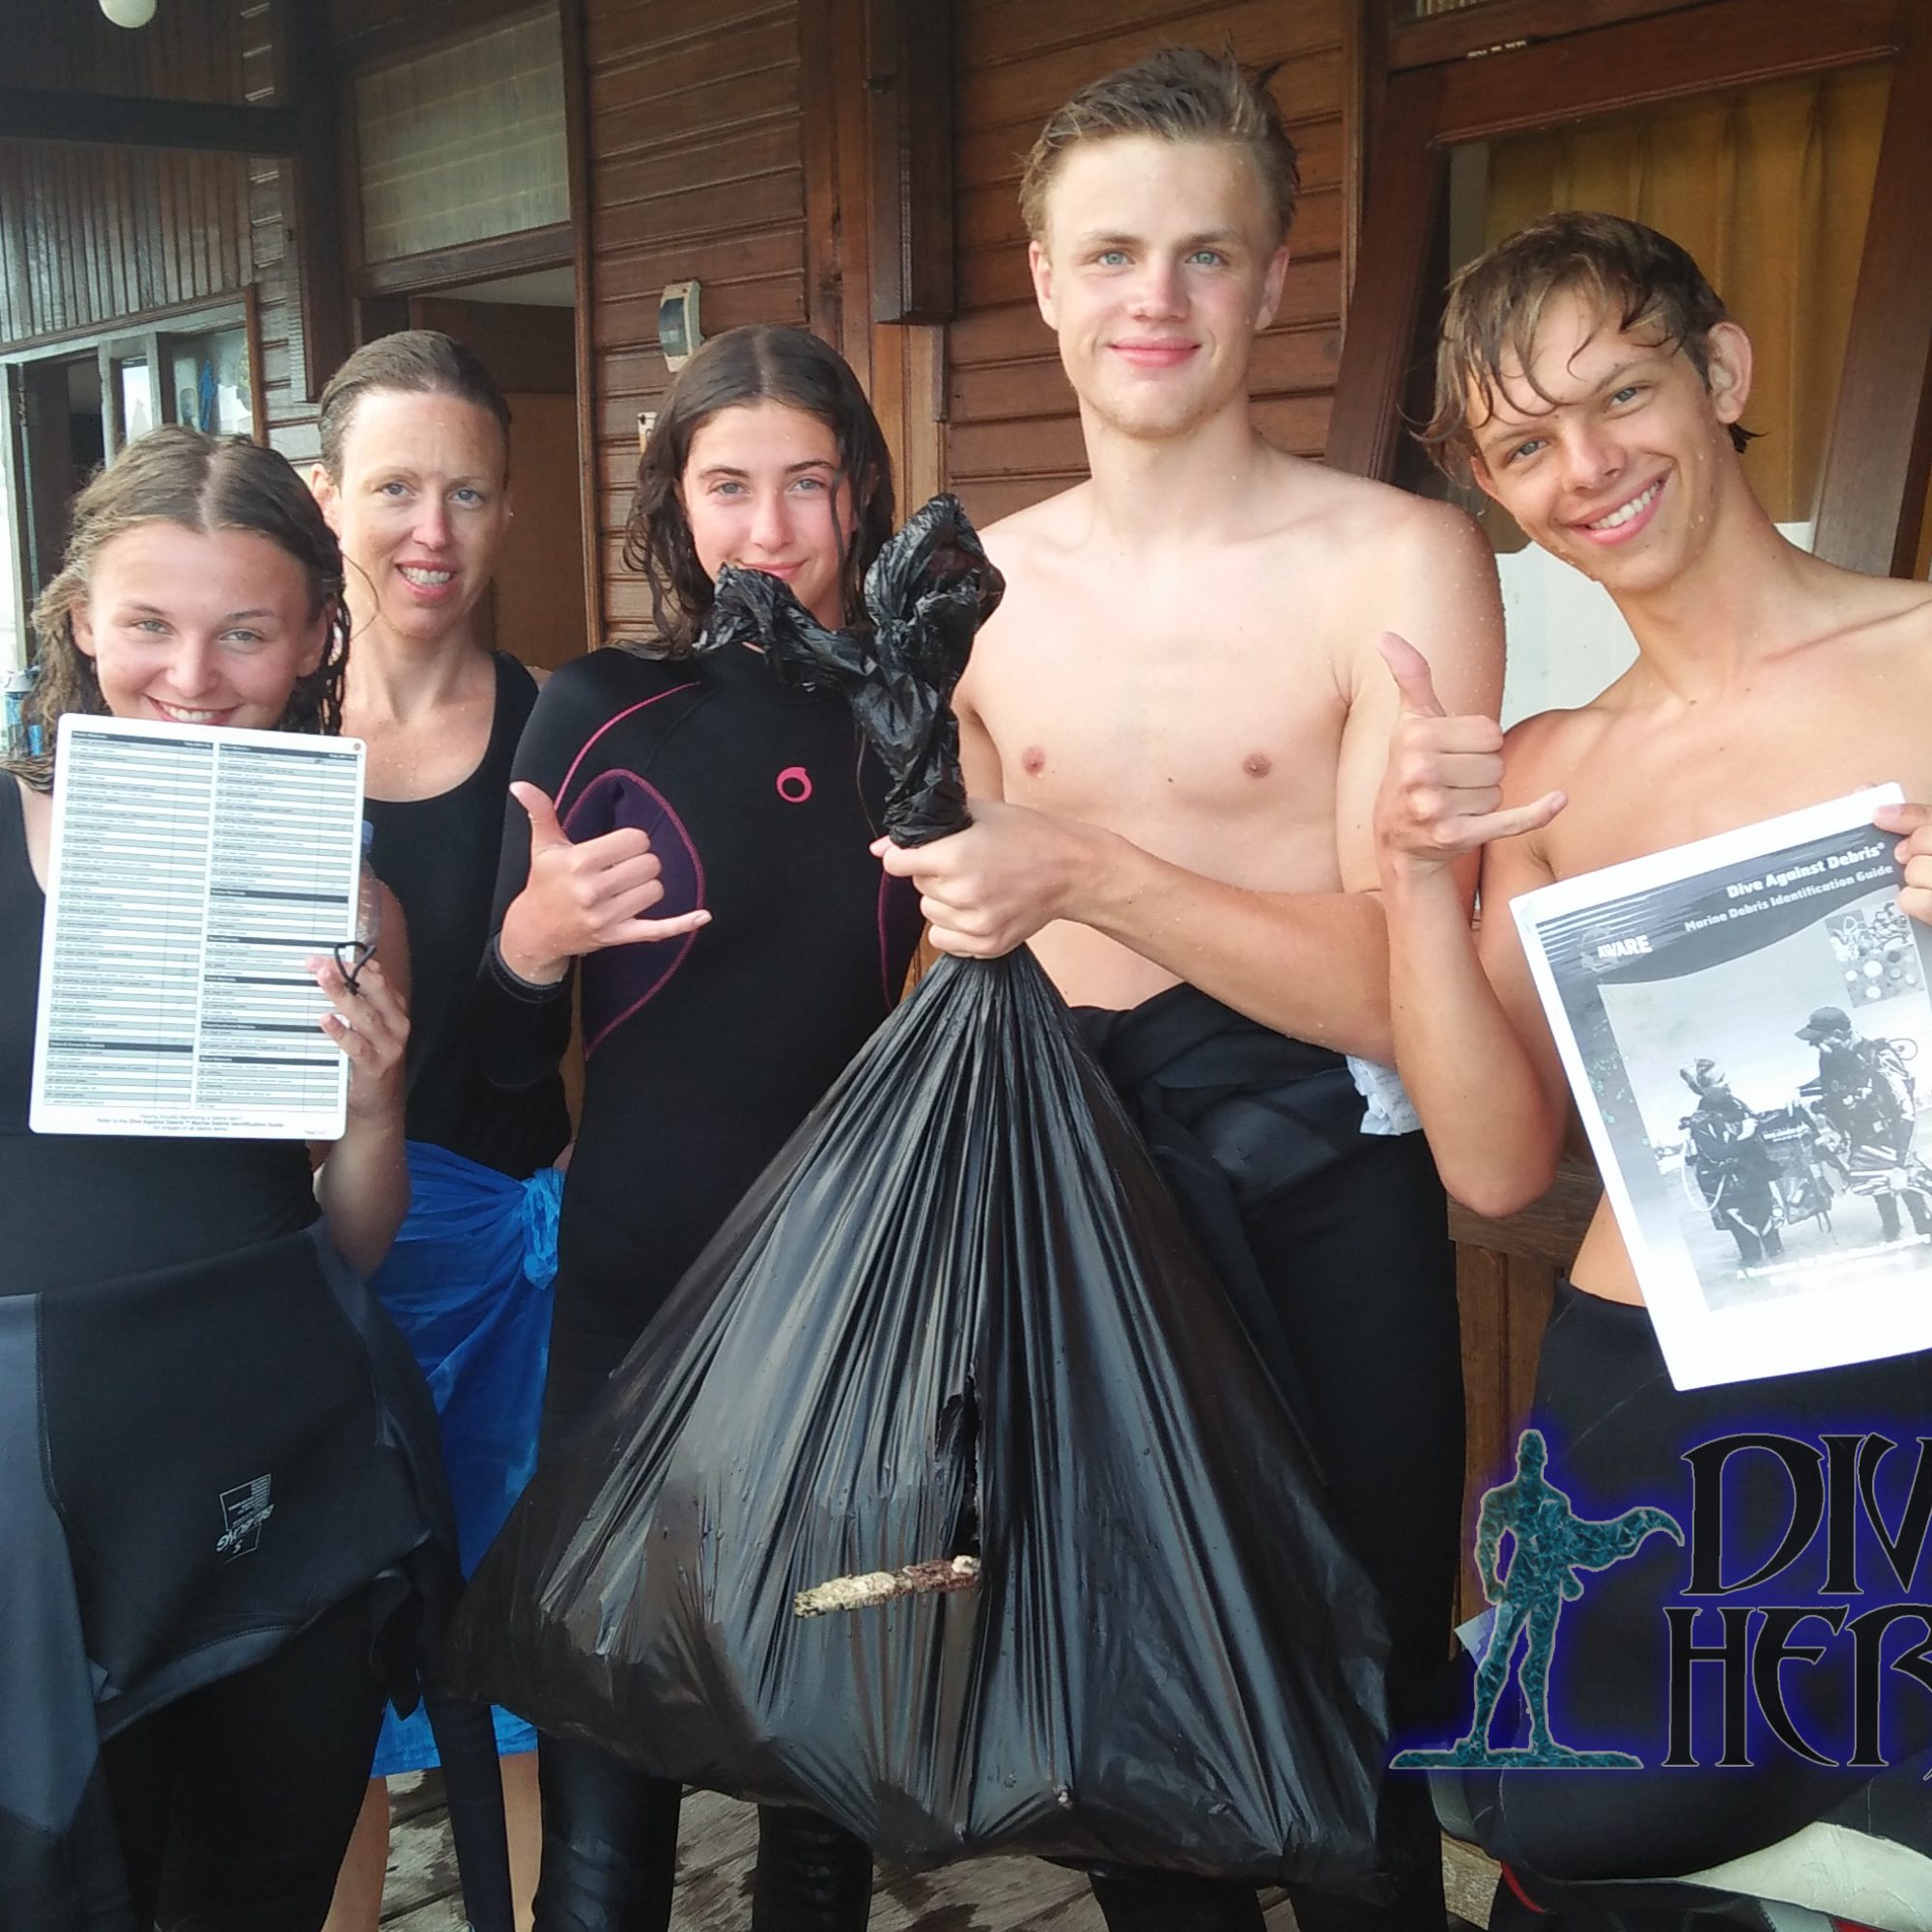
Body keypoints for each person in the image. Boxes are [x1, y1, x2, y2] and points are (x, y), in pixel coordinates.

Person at [873, 45, 1506, 1932]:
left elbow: (1409, 992)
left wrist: (1095, 867)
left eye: (1204, 255)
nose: (1156, 298)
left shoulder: (1393, 560)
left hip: (1323, 1183)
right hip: (1069, 1202)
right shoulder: (973, 577)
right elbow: (953, 934)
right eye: (1115, 254)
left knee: (1360, 1713)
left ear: (1277, 275)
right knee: (1128, 1747)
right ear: (1047, 278)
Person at [1374, 211, 1932, 1909]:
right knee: (1592, 1831)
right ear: (1495, 489)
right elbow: (1488, 1166)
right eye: (1526, 444)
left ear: (1725, 372)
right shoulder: (1553, 770)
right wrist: (1414, 875)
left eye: (1623, 392)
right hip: (1656, 1386)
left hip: (1906, 1373)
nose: (1590, 467)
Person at [472, 323, 923, 1931]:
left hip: (845, 1312)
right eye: (729, 486)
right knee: (611, 1803)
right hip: (633, 1305)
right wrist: (534, 946)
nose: (772, 530)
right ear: (674, 503)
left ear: (862, 498)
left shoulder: (919, 726)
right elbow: (503, 1066)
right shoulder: (599, 712)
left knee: (818, 1802)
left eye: (808, 484)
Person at [1, 426, 450, 1929]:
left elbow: (355, 1248)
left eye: (245, 632)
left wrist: (376, 1102)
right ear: (77, 618)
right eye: (148, 624)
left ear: (319, 635)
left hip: (276, 1473)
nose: (193, 675)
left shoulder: (348, 894)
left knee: (254, 1892)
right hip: (42, 1510)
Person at [311, 330, 567, 1932]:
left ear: (508, 513)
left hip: (515, 1269)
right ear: (325, 493)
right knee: (325, 1674)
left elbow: (580, 1046)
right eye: (395, 486)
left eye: (467, 491)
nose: (432, 528)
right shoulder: (251, 724)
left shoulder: (562, 725)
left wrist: (532, 958)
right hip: (320, 1267)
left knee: (516, 1659)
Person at [1794, 1005, 1932, 1243]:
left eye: (1818, 1040)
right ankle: (1895, 1245)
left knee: (1914, 1198)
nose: (1814, 1045)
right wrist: (1828, 1129)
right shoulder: (1828, 1059)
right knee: (1883, 1206)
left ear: (1838, 1034)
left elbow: (1906, 1111)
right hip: (1863, 1142)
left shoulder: (1880, 1056)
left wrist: (1901, 1162)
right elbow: (1833, 1100)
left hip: (1893, 1137)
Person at [1676, 1059, 1783, 1266]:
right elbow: (1717, 1155)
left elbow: (1757, 1127)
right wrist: (1744, 1135)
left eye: (1725, 1076)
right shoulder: (1700, 1121)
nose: (1728, 1082)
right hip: (1731, 1195)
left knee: (1775, 1245)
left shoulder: (1736, 1104)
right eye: (1721, 1080)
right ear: (1704, 1089)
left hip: (1756, 1183)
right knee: (1751, 1253)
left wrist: (1786, 1113)